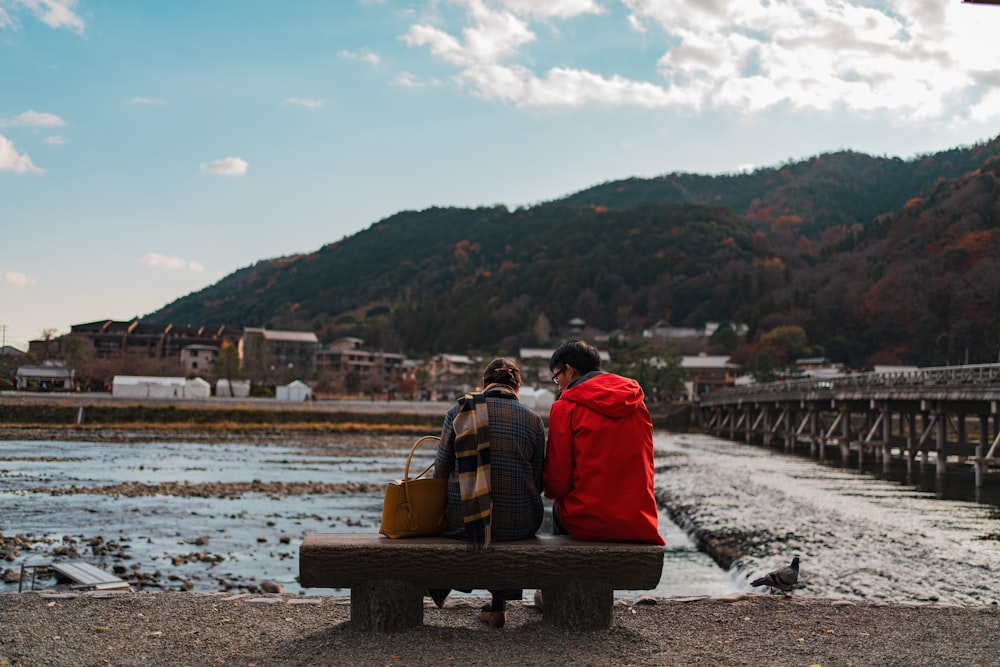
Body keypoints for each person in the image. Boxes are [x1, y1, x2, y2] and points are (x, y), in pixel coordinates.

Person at [430, 358, 546, 628]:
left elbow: (440, 472)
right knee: (501, 512)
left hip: (466, 524)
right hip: (520, 525)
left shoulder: (459, 411)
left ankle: (437, 588)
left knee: (475, 512)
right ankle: (497, 606)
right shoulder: (534, 420)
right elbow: (538, 482)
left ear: (483, 384)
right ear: (517, 387)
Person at [543, 340, 664, 546]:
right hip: (639, 521)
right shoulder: (636, 402)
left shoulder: (565, 407)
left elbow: (558, 480)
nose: (559, 384)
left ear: (569, 371)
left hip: (587, 521)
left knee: (557, 511)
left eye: (557, 377)